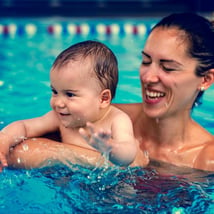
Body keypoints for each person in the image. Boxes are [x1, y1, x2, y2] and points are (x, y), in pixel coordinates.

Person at [4, 12, 214, 172]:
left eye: (167, 67)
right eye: (145, 61)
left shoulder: (206, 159)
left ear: (205, 79)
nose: (148, 77)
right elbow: (20, 153)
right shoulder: (94, 116)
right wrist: (104, 162)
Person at [0, 40, 148, 171]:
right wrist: (4, 141)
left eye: (70, 95)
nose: (57, 103)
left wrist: (110, 148)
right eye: (55, 91)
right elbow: (24, 127)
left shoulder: (117, 120)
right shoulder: (59, 118)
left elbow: (128, 154)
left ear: (103, 98)